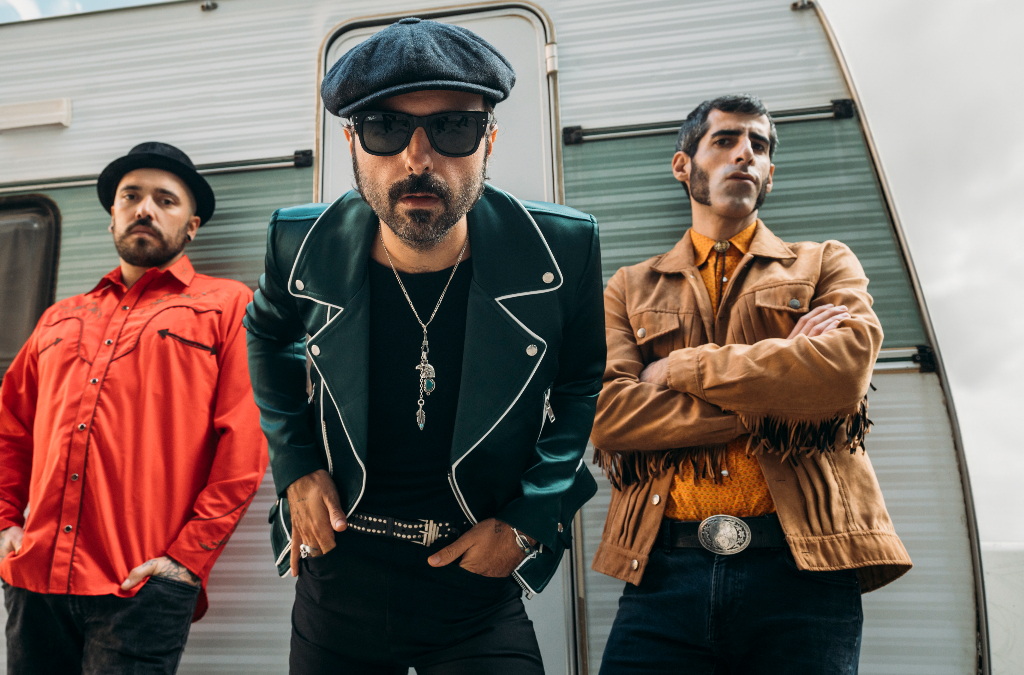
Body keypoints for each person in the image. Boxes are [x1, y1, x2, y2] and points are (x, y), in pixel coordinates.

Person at [244, 18, 606, 674]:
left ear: (488, 139)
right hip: (338, 575)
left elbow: (581, 382)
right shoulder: (299, 245)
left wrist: (529, 519)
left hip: (474, 582)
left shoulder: (562, 248)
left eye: (452, 127)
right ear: (352, 142)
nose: (417, 159)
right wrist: (295, 465)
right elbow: (268, 334)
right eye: (385, 128)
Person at [590, 94, 913, 674]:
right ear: (683, 165)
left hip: (805, 572)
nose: (744, 154)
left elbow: (842, 376)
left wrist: (678, 369)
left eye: (758, 146)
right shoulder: (629, 287)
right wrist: (787, 384)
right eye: (725, 140)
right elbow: (611, 416)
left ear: (770, 173)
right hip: (663, 574)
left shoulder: (824, 263)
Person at [0, 142, 267, 675]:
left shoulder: (228, 306)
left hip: (141, 586)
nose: (144, 209)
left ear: (192, 226)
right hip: (34, 580)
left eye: (165, 200)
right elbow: (6, 430)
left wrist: (186, 560)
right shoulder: (59, 318)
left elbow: (244, 445)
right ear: (113, 215)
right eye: (130, 197)